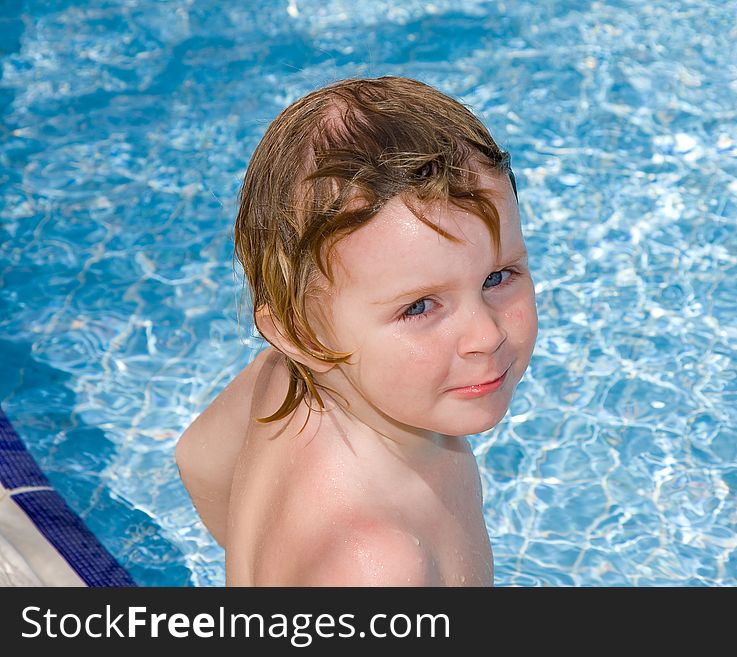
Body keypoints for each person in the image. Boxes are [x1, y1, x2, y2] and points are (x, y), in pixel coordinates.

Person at [175, 76, 538, 586]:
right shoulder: (378, 565)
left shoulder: (291, 376)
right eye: (419, 307)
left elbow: (197, 458)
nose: (485, 334)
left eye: (497, 278)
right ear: (303, 336)